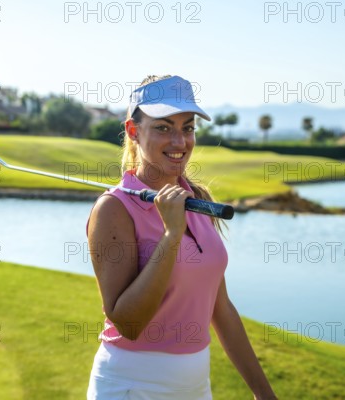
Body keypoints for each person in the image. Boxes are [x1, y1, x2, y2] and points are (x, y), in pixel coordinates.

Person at [86, 75, 277, 399]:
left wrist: (263, 393)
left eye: (187, 128)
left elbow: (221, 307)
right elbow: (129, 324)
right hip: (132, 387)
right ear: (134, 131)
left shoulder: (196, 200)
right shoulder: (113, 209)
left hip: (196, 387)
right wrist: (171, 234)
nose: (180, 142)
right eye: (163, 127)